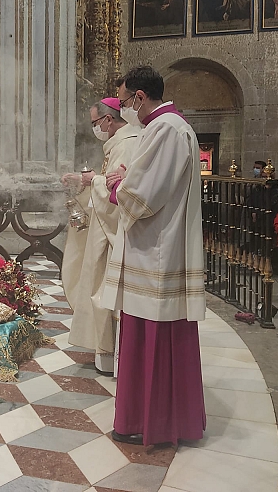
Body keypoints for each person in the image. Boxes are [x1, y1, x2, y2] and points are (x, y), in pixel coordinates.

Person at [102, 66, 206, 446]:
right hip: (159, 247)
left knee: (153, 336)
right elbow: (153, 179)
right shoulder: (173, 127)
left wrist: (118, 187)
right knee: (157, 335)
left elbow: (144, 195)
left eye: (126, 101)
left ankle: (151, 422)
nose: (125, 108)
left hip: (155, 251)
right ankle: (159, 419)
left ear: (140, 97)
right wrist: (129, 178)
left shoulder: (165, 129)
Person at [61, 98, 141, 375]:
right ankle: (104, 352)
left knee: (105, 290)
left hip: (114, 234)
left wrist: (90, 180)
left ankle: (112, 354)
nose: (96, 128)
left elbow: (119, 191)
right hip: (106, 230)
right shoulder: (119, 142)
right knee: (100, 288)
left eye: (96, 123)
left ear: (108, 120)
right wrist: (90, 180)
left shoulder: (128, 143)